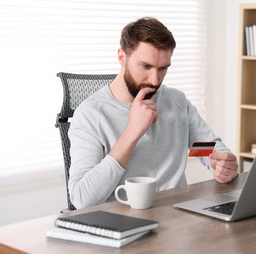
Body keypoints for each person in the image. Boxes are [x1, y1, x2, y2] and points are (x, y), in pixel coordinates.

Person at [68, 17, 238, 209]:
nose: (155, 80)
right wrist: (133, 131)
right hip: (125, 225)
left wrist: (220, 163)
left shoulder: (176, 102)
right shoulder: (91, 114)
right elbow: (82, 198)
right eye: (146, 66)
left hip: (179, 219)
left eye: (163, 68)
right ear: (122, 57)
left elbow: (203, 147)